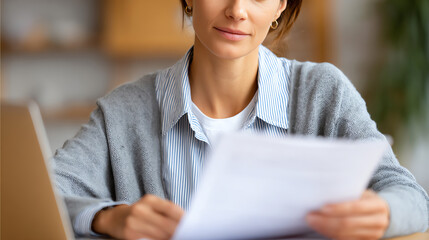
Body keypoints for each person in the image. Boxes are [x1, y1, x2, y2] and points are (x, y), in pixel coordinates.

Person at [52, 0, 429, 239]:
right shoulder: (124, 111)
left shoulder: (322, 92)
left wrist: (382, 213)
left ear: (281, 5)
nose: (237, 10)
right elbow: (40, 190)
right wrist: (107, 218)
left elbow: (412, 196)